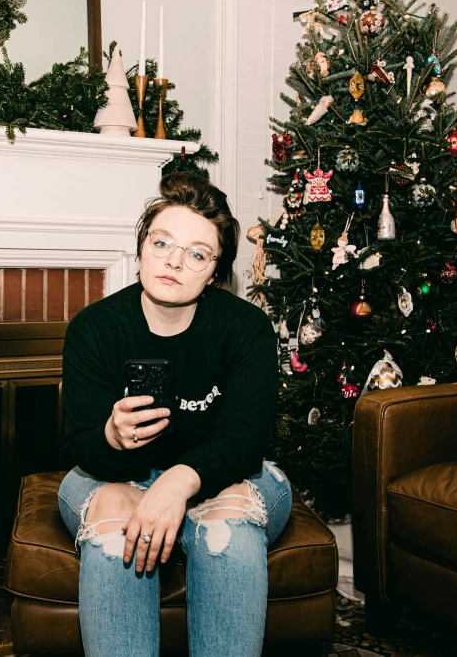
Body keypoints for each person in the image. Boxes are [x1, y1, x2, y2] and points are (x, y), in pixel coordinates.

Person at [58, 172, 292, 657]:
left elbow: (246, 438)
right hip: (114, 476)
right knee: (116, 532)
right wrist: (113, 437)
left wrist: (179, 480)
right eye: (162, 242)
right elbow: (79, 443)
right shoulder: (94, 329)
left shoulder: (244, 328)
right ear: (142, 247)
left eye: (197, 253)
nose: (173, 261)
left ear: (215, 272)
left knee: (227, 534)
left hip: (225, 475)